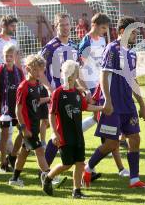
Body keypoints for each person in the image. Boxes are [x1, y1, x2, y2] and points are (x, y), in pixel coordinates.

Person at [83, 16, 145, 189]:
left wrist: (142, 104)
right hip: (113, 105)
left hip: (128, 105)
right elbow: (103, 75)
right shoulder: (112, 49)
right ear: (122, 32)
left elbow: (133, 81)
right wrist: (107, 101)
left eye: (136, 31)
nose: (136, 34)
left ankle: (134, 179)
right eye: (133, 31)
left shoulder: (132, 54)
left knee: (135, 139)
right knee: (111, 143)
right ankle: (88, 168)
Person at [42, 60, 103, 198]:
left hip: (77, 134)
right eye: (77, 73)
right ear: (71, 75)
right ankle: (48, 178)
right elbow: (51, 114)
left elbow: (86, 107)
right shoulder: (58, 93)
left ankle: (77, 191)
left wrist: (102, 108)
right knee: (67, 164)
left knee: (80, 163)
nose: (78, 76)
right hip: (64, 135)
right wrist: (54, 133)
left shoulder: (77, 93)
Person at [40, 13, 82, 172]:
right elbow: (40, 70)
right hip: (57, 95)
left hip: (71, 94)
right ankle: (44, 170)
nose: (65, 28)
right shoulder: (50, 47)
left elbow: (76, 72)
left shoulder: (73, 46)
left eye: (67, 24)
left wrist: (81, 88)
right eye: (61, 25)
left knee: (68, 130)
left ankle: (79, 166)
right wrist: (49, 88)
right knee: (58, 131)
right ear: (55, 26)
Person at [9, 55, 50, 187]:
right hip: (27, 128)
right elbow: (18, 109)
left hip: (34, 125)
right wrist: (23, 128)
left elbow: (36, 102)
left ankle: (14, 179)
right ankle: (49, 176)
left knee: (24, 153)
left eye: (41, 70)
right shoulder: (23, 87)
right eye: (36, 70)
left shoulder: (37, 85)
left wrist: (49, 98)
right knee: (39, 150)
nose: (39, 73)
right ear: (28, 69)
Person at [0, 44, 24, 172]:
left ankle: (12, 156)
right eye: (6, 56)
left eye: (11, 56)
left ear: (15, 56)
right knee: (4, 135)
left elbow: (24, 89)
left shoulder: (19, 71)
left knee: (23, 133)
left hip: (18, 109)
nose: (8, 58)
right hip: (4, 109)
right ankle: (3, 163)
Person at [0, 16, 19, 158]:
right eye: (12, 26)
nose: (14, 29)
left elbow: (17, 60)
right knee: (1, 114)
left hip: (11, 81)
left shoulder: (14, 41)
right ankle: (2, 147)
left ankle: (6, 148)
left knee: (11, 116)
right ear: (3, 25)